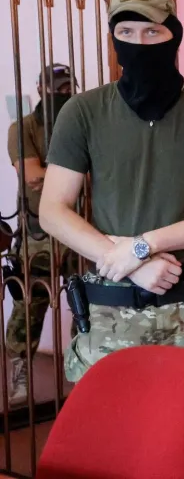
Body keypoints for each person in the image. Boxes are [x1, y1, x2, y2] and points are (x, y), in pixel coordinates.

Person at [39, 0, 184, 408]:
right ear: (113, 38)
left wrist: (142, 247)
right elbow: (52, 209)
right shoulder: (82, 112)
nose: (140, 42)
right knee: (113, 443)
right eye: (127, 32)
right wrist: (127, 263)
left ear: (174, 33)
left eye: (153, 31)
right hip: (111, 305)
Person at [4, 64, 80, 404]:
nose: (61, 94)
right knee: (30, 305)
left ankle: (86, 371)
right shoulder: (23, 128)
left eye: (66, 89)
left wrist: (55, 174)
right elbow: (32, 176)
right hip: (40, 231)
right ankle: (20, 369)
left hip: (84, 230)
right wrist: (78, 173)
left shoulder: (83, 124)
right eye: (55, 88)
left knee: (89, 304)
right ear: (39, 88)